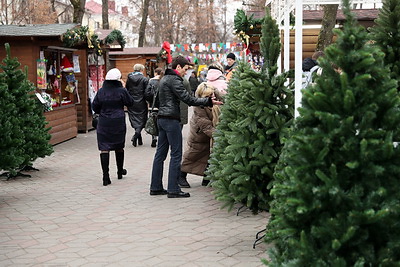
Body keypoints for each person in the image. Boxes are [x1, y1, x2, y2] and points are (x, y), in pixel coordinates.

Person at [150, 55, 222, 198]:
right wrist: (207, 102)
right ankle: (173, 189)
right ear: (178, 67)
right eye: (185, 69)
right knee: (176, 154)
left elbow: (157, 100)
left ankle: (156, 187)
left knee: (160, 154)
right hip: (171, 120)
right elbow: (188, 99)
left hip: (162, 119)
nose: (186, 72)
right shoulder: (175, 80)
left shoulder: (164, 78)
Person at [92, 68, 134, 186]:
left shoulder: (101, 91)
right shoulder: (121, 91)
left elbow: (95, 106)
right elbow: (130, 102)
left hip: (104, 122)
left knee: (104, 148)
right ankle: (120, 171)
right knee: (119, 146)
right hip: (118, 121)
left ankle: (106, 176)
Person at [179, 83, 221, 188]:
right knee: (192, 155)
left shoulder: (218, 101)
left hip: (210, 133)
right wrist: (220, 136)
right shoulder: (199, 107)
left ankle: (206, 178)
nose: (212, 98)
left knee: (209, 155)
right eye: (208, 96)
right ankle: (180, 175)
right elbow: (205, 125)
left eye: (213, 95)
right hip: (199, 134)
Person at [126, 64, 149, 147]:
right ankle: (136, 135)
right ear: (141, 70)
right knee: (142, 119)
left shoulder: (129, 78)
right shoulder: (144, 79)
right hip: (141, 102)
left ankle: (139, 139)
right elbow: (147, 92)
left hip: (132, 102)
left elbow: (127, 89)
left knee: (134, 118)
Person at [145, 67, 164, 148]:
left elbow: (147, 93)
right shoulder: (163, 81)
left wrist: (150, 101)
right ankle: (161, 138)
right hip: (163, 106)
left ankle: (154, 137)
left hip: (153, 106)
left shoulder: (151, 81)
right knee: (161, 122)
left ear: (156, 73)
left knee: (153, 121)